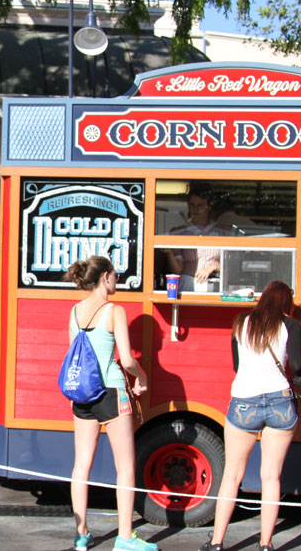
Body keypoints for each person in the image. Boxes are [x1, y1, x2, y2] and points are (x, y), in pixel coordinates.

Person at [200, 280, 301, 551]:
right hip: (279, 402)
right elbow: (298, 367)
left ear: (263, 299)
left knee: (231, 475)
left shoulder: (241, 322)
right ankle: (265, 544)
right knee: (271, 477)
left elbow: (237, 365)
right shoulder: (291, 326)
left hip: (244, 402)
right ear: (287, 303)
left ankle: (217, 542)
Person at [63, 255, 156, 551]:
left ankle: (81, 534)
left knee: (81, 466)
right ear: (105, 277)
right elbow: (127, 360)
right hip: (112, 392)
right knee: (125, 466)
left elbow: (74, 355)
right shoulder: (115, 311)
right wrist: (141, 377)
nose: (118, 280)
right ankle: (126, 538)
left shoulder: (75, 311)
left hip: (83, 393)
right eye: (115, 275)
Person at [163, 185, 228, 292]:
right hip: (188, 283)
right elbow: (177, 270)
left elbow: (231, 265)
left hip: (214, 283)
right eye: (192, 205)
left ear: (209, 206)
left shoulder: (222, 232)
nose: (196, 209)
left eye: (200, 205)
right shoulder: (180, 232)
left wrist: (212, 268)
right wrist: (169, 253)